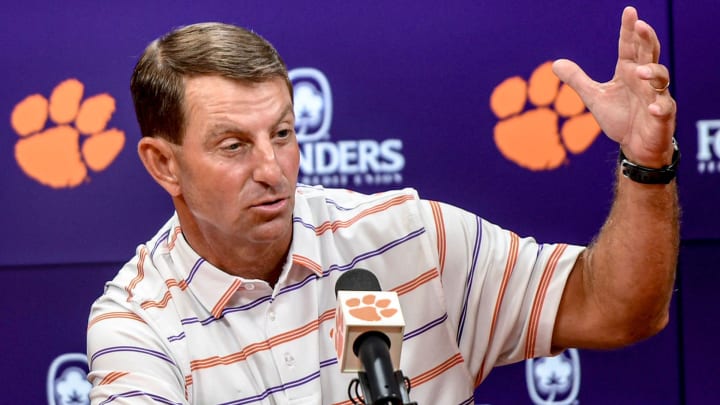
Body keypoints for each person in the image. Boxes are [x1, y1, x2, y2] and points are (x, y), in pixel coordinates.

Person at [86, 6, 678, 404]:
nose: (272, 171)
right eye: (234, 145)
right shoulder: (138, 324)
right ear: (164, 163)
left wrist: (646, 164)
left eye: (284, 134)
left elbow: (619, 308)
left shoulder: (404, 240)